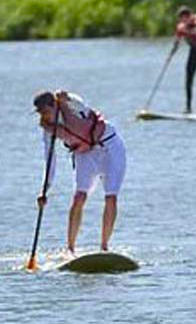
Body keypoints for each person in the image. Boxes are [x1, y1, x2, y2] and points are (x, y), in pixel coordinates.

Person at [33, 90, 127, 255]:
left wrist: (66, 96)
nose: (44, 116)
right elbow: (50, 161)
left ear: (55, 105)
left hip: (110, 146)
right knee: (79, 197)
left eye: (46, 111)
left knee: (111, 196)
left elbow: (77, 100)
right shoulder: (48, 130)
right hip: (85, 153)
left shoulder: (72, 105)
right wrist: (44, 191)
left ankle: (104, 247)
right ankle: (70, 249)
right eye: (40, 113)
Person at [168, 5, 196, 115]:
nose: (184, 21)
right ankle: (188, 108)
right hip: (193, 52)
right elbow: (177, 40)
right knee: (188, 79)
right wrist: (171, 53)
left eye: (185, 18)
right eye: (181, 19)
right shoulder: (181, 26)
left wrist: (187, 29)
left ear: (190, 16)